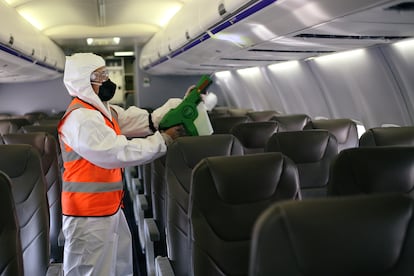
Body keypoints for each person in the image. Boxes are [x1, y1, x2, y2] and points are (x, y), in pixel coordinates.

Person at [58, 53, 186, 276]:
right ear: (83, 82)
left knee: (119, 268)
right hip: (87, 216)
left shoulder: (101, 111)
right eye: (100, 76)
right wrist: (162, 140)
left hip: (109, 209)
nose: (107, 80)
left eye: (106, 73)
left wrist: (179, 108)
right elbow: (116, 152)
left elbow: (141, 120)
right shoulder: (80, 120)